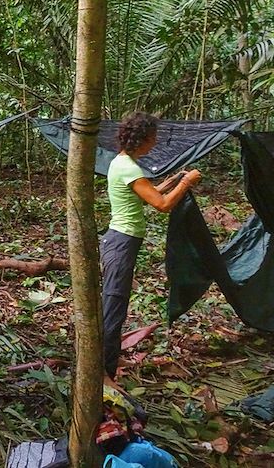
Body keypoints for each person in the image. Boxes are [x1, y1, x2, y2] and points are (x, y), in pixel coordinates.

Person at [101, 113, 201, 381]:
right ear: (142, 140)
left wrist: (172, 182)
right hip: (121, 243)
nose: (155, 144)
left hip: (120, 241)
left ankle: (106, 362)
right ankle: (104, 373)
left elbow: (150, 194)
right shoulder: (129, 168)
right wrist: (186, 182)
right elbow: (163, 205)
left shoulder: (122, 162)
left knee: (115, 305)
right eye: (153, 139)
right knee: (114, 306)